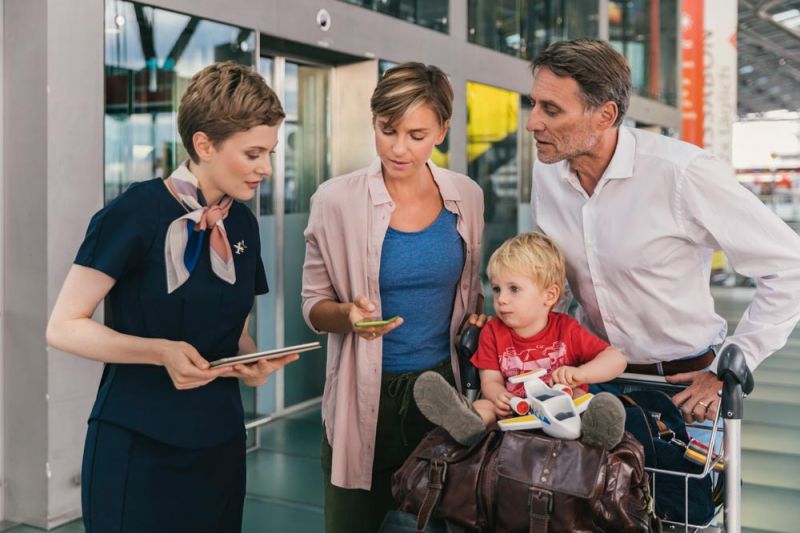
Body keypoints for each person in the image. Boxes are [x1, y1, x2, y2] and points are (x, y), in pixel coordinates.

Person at [46, 62, 298, 532]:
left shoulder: (242, 224)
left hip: (221, 445)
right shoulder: (133, 212)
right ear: (204, 144)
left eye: (271, 152)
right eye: (253, 153)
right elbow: (63, 326)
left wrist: (250, 360)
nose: (266, 167)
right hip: (138, 445)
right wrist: (159, 352)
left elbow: (235, 331)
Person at [526, 39, 800, 423]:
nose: (532, 121)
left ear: (605, 115)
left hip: (683, 389)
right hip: (591, 382)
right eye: (534, 104)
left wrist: (727, 369)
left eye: (551, 110)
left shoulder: (682, 173)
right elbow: (557, 280)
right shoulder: (547, 174)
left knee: (682, 486)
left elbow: (789, 266)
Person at [301, 62, 485, 533]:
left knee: (439, 522)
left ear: (443, 130)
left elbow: (470, 293)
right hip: (365, 397)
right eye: (388, 130)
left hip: (444, 394)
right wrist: (346, 315)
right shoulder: (335, 200)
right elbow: (314, 306)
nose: (399, 148)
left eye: (417, 134)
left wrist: (481, 321)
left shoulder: (466, 196)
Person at [414, 232, 627, 449]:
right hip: (516, 412)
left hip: (561, 411)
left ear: (549, 296)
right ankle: (465, 423)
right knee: (484, 405)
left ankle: (596, 435)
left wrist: (581, 374)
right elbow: (491, 382)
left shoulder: (567, 329)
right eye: (497, 289)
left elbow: (616, 359)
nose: (501, 299)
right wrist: (500, 396)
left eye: (514, 289)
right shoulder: (492, 332)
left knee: (581, 397)